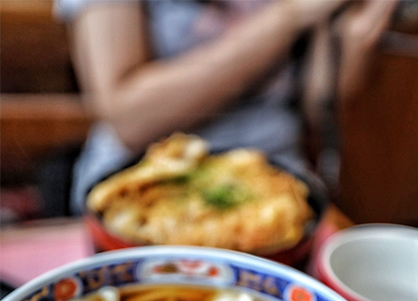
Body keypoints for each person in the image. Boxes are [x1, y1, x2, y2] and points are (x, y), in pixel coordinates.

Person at [56, 0, 397, 214]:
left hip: (278, 190)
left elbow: (317, 104)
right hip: (141, 185)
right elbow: (129, 118)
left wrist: (357, 33)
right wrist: (287, 16)